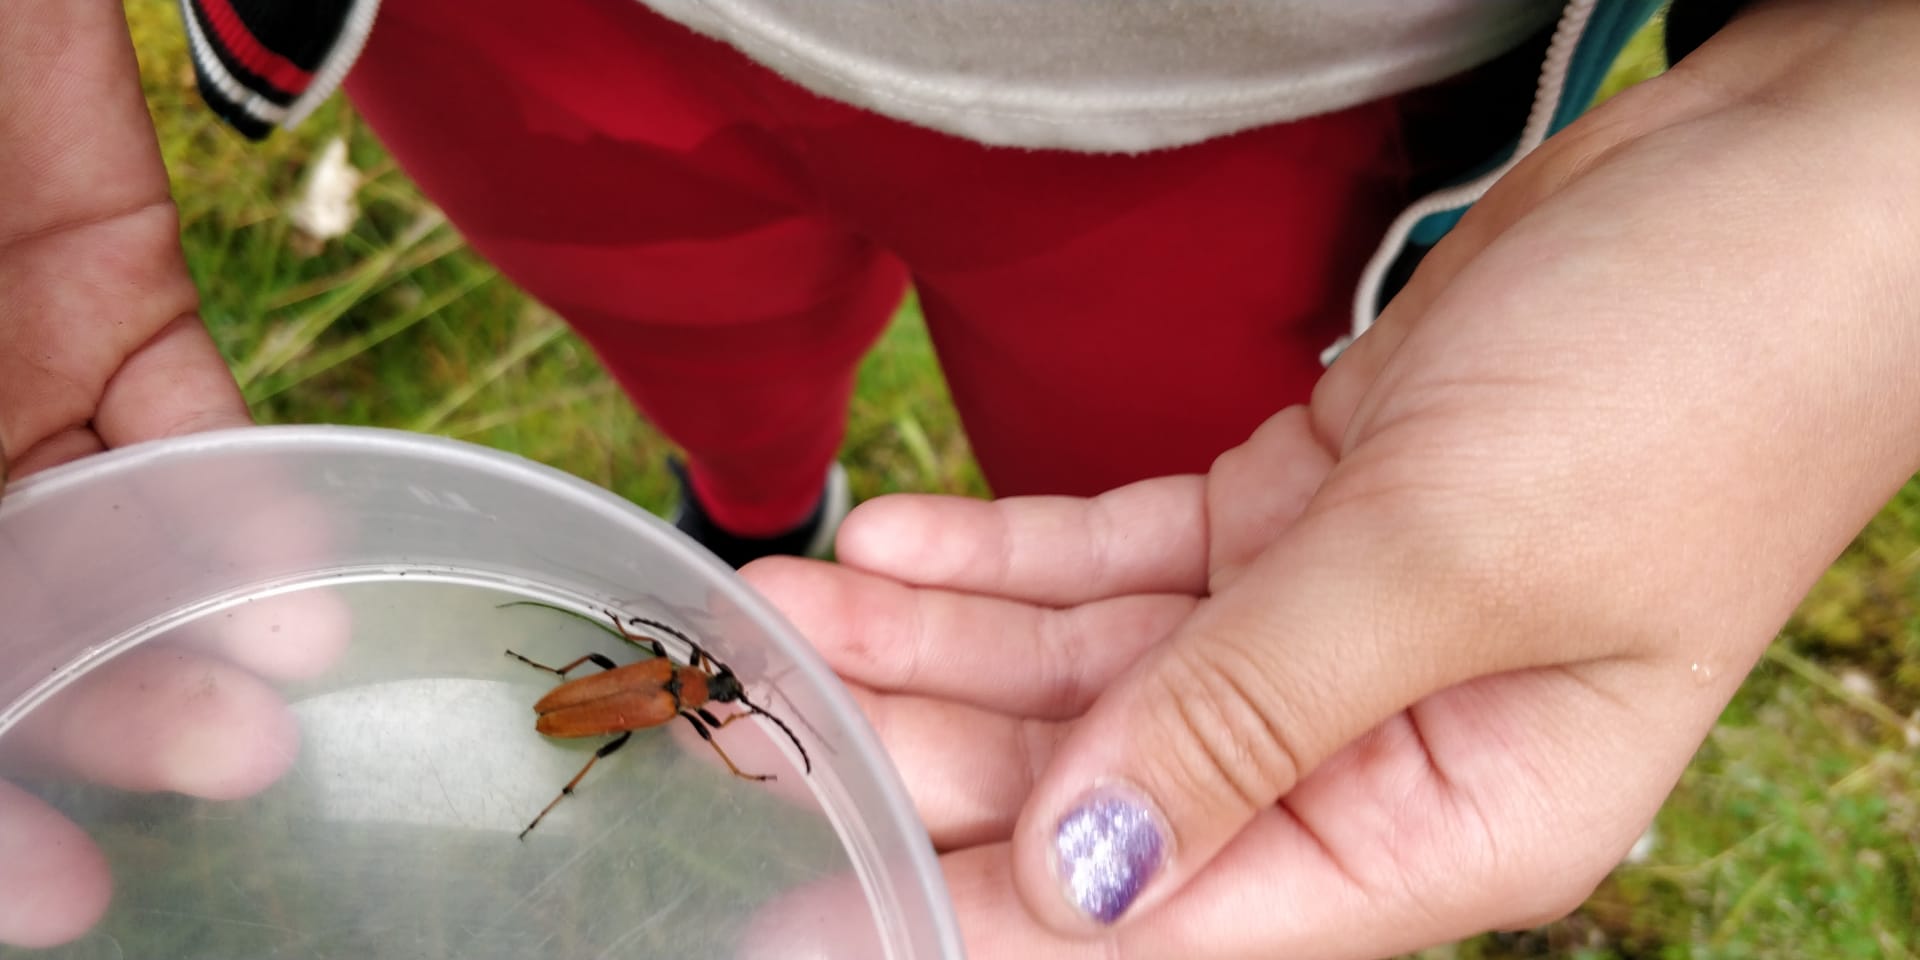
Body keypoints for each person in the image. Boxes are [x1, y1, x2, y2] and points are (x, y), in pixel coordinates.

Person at [5, 0, 1918, 955]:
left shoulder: (639, 695)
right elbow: (597, 698)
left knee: (1171, 510)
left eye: (693, 681)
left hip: (1282, 100)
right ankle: (751, 507)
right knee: (703, 341)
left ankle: (767, 531)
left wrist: (1853, 91)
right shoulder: (643, 690)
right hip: (520, 36)